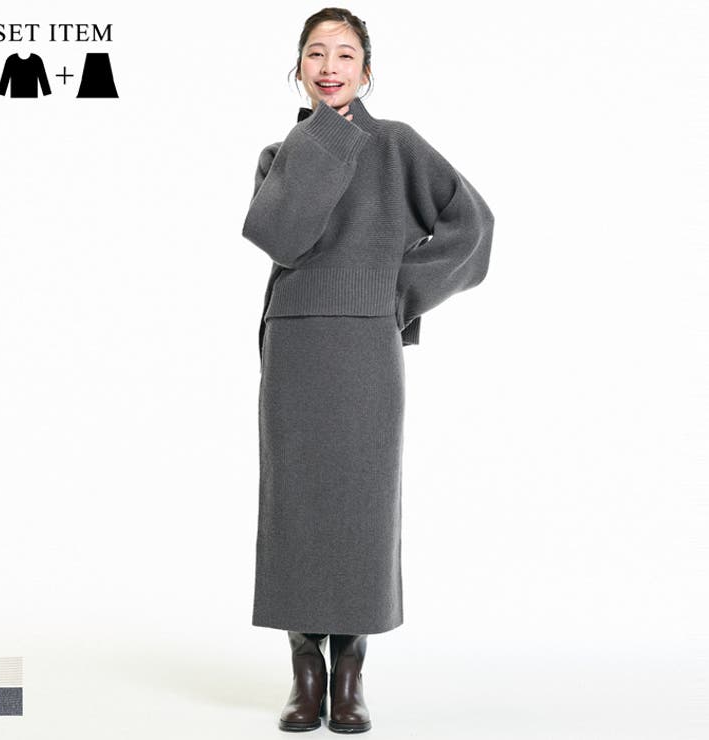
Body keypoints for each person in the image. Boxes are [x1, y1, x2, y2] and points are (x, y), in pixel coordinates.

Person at [241, 7, 495, 733]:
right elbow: (279, 237)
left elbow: (474, 227)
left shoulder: (398, 145)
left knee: (361, 500)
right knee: (295, 501)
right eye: (315, 53)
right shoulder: (281, 152)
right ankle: (305, 669)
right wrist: (325, 133)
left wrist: (394, 293)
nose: (330, 66)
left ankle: (349, 671)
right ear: (297, 67)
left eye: (345, 54)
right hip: (293, 341)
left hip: (365, 347)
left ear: (367, 69)